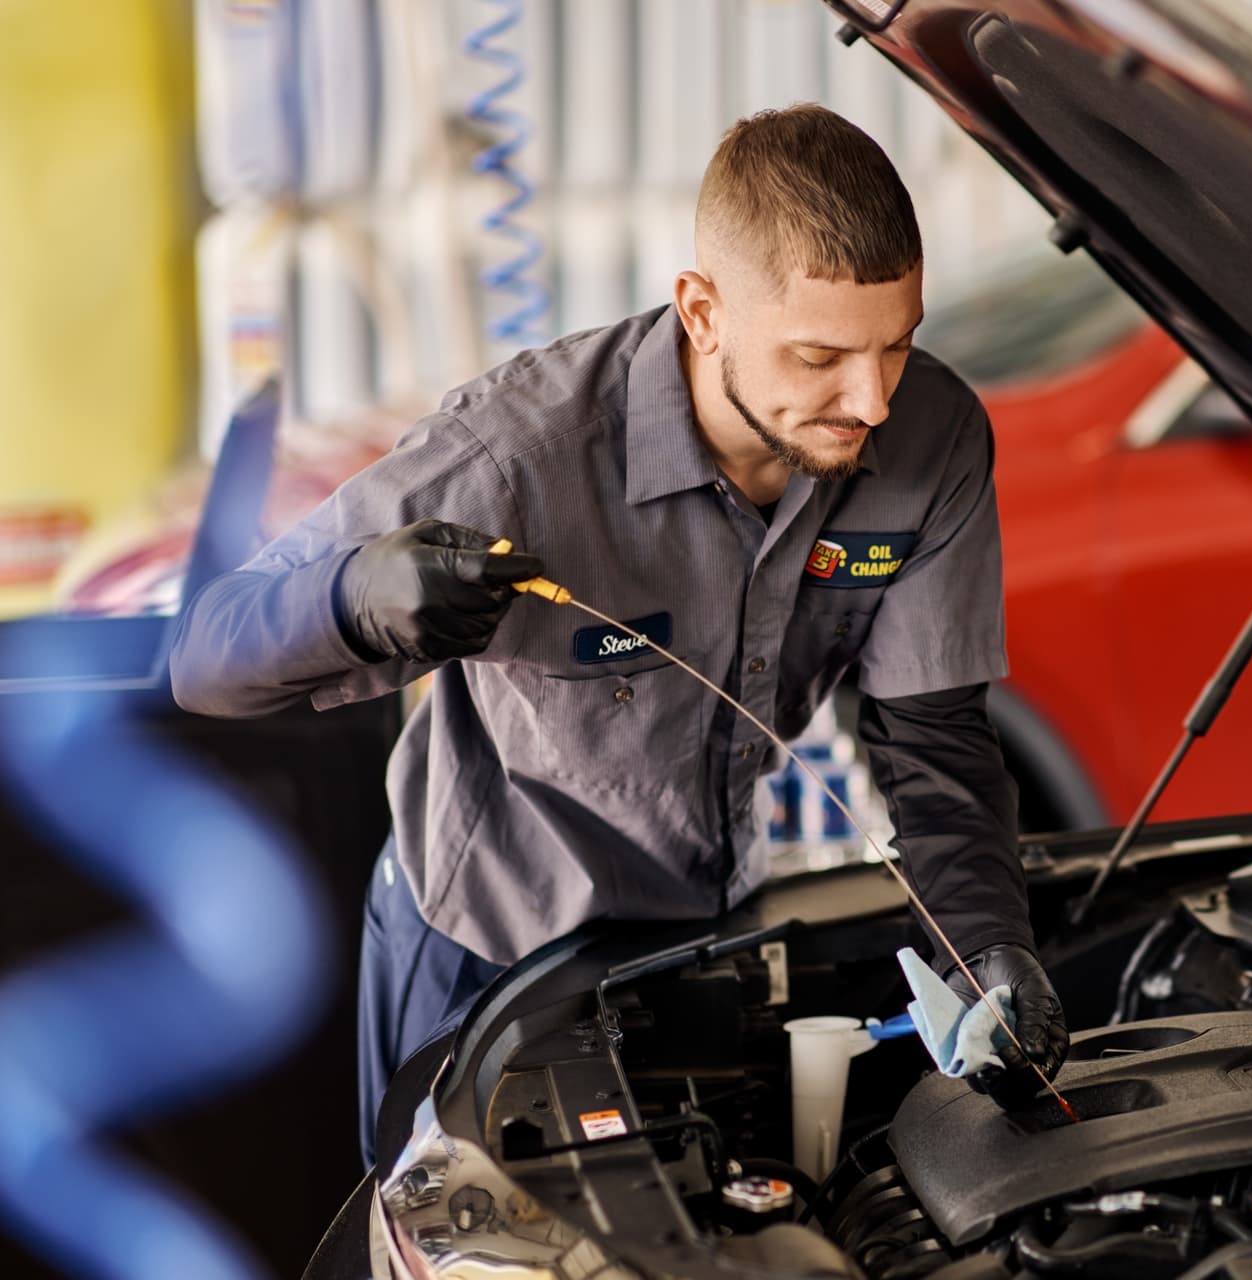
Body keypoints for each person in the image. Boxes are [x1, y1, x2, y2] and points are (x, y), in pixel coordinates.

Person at [169, 104, 1068, 1168]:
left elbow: (936, 750)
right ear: (702, 311)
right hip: (483, 948)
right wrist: (362, 594)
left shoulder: (936, 438)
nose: (869, 399)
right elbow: (203, 657)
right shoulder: (518, 455)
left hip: (695, 938)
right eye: (821, 356)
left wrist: (989, 952)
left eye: (897, 345)